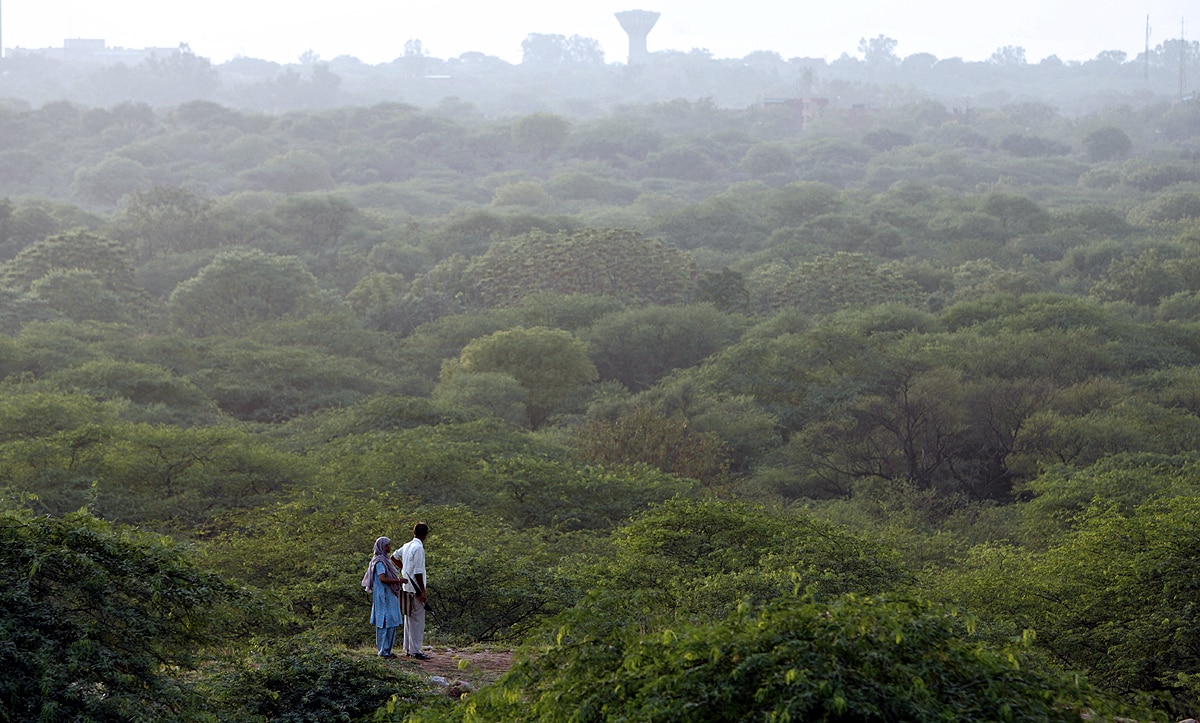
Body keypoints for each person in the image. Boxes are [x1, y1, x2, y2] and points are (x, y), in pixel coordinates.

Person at [361, 536, 404, 658]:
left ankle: (387, 650)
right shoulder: (379, 561)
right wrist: (398, 580)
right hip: (384, 595)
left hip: (389, 594)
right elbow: (382, 578)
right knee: (384, 622)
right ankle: (383, 651)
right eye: (387, 545)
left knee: (391, 623)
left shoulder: (385, 560)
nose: (389, 547)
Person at [398, 522, 430, 660]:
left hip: (407, 586)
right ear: (425, 535)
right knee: (417, 619)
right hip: (415, 588)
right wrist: (422, 591)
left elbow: (394, 556)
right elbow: (418, 572)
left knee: (409, 617)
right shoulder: (418, 548)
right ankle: (415, 650)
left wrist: (404, 569)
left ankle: (408, 648)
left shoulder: (406, 546)